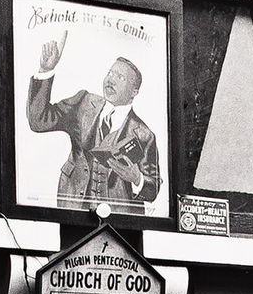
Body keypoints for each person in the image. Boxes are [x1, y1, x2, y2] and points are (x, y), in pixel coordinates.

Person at [26, 33, 162, 216]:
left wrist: (137, 179)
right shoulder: (83, 103)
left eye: (120, 78)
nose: (110, 80)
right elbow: (38, 121)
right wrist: (45, 71)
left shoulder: (144, 134)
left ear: (134, 92)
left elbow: (153, 190)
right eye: (110, 73)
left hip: (119, 222)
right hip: (72, 209)